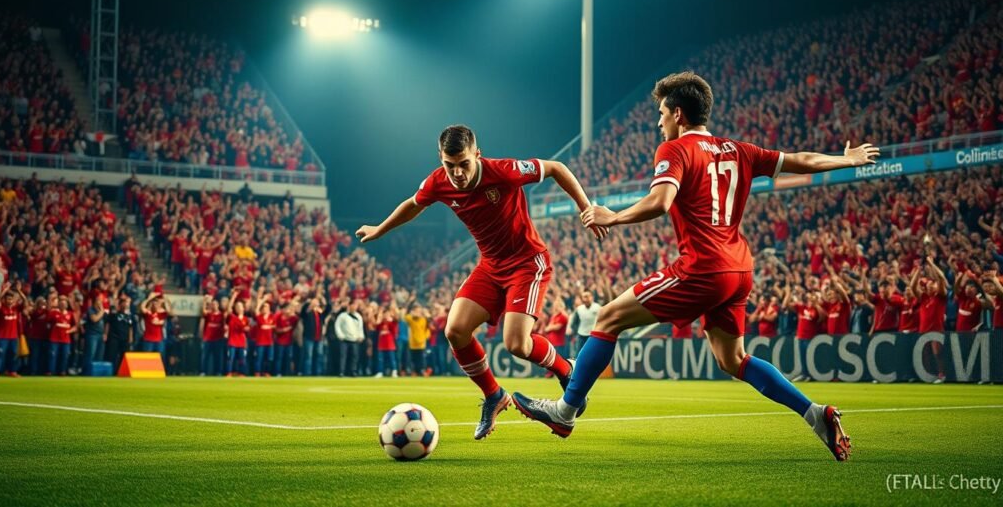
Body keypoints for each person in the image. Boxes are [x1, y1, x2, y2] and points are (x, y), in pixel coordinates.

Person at [513, 71, 879, 461]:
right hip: (739, 269)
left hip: (703, 267)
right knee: (732, 359)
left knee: (607, 318)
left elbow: (660, 202)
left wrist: (612, 216)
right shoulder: (738, 149)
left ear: (679, 114)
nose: (658, 122)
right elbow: (799, 160)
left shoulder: (673, 151)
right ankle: (815, 415)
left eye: (661, 113)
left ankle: (565, 412)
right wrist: (847, 159)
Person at [355, 124, 606, 439]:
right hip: (490, 267)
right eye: (450, 166)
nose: (457, 173)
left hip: (528, 263)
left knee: (516, 343)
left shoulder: (504, 171)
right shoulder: (437, 182)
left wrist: (587, 208)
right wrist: (380, 229)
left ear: (477, 154)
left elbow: (557, 168)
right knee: (455, 331)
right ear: (441, 160)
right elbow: (413, 205)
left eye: (463, 164)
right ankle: (494, 395)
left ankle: (566, 370)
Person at [104, 294, 135, 372]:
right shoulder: (114, 314)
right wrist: (105, 334)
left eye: (126, 303)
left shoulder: (129, 315)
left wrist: (130, 338)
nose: (125, 305)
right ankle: (110, 371)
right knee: (111, 355)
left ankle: (120, 371)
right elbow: (108, 323)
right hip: (114, 337)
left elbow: (130, 327)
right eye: (123, 303)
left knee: (124, 356)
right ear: (120, 305)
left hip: (125, 338)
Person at [567, 290, 601, 356]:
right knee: (579, 354)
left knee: (593, 354)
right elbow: (573, 323)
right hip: (581, 336)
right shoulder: (579, 309)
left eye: (587, 296)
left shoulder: (598, 308)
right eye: (584, 297)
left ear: (592, 297)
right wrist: (576, 331)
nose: (585, 299)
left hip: (593, 335)